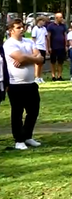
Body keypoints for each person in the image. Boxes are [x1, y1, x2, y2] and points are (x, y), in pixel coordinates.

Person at [4, 18, 44, 150]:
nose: (22, 29)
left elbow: (41, 59)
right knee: (17, 113)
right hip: (16, 84)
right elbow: (20, 58)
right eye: (18, 27)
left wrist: (27, 59)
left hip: (31, 83)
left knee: (33, 111)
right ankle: (19, 140)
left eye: (23, 27)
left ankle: (27, 136)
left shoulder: (28, 41)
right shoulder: (9, 44)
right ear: (11, 30)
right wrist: (31, 58)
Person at [47, 13, 67, 82]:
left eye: (62, 17)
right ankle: (53, 75)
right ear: (56, 18)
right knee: (53, 62)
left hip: (61, 47)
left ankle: (59, 75)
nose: (62, 19)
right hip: (53, 46)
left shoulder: (63, 26)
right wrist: (49, 47)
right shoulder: (50, 26)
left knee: (60, 62)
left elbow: (65, 35)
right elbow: (48, 37)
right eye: (60, 17)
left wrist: (66, 45)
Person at [31, 16, 48, 84]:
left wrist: (46, 49)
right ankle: (36, 77)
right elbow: (33, 39)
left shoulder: (44, 29)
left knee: (42, 63)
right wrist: (34, 48)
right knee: (37, 63)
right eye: (43, 21)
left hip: (43, 47)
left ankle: (40, 77)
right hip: (38, 47)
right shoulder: (35, 28)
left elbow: (46, 39)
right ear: (39, 21)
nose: (44, 22)